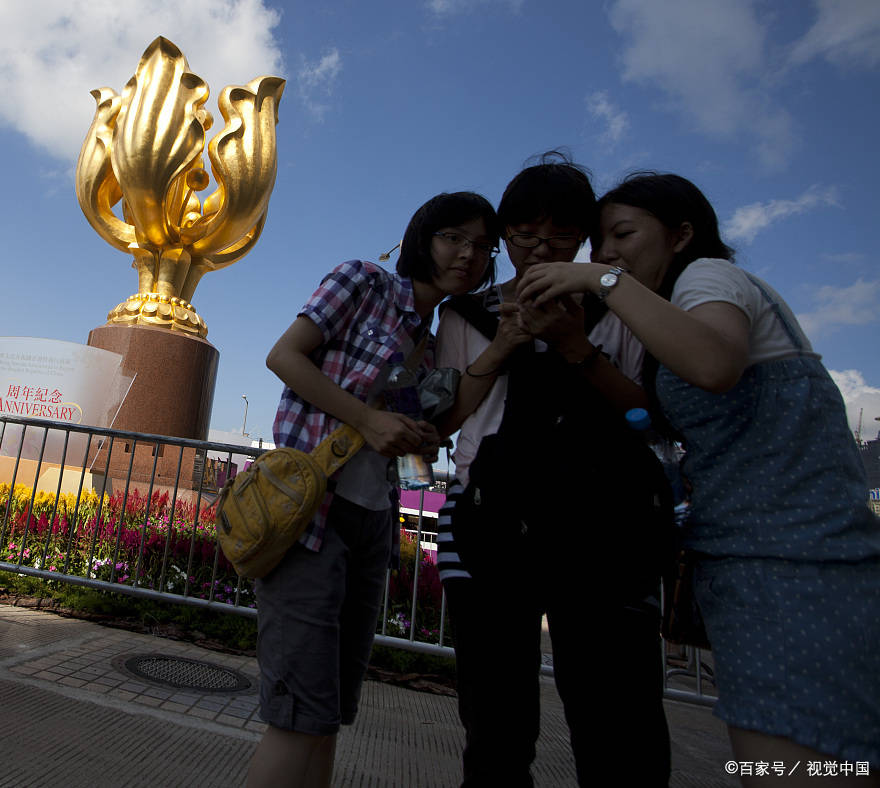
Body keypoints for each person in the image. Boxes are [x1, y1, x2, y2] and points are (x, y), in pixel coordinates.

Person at [517, 172, 880, 781]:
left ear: (682, 234)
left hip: (796, 562)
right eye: (599, 244)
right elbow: (649, 417)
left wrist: (596, 280)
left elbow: (714, 365)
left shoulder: (710, 277)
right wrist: (578, 347)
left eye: (622, 235)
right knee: (806, 754)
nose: (607, 254)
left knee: (788, 759)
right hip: (753, 561)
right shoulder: (671, 318)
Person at [433, 154, 672, 786]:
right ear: (505, 238)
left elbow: (651, 420)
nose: (540, 249)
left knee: (618, 724)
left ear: (585, 239)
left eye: (559, 236)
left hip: (604, 524)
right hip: (489, 524)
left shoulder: (623, 308)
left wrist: (574, 345)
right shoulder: (467, 314)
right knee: (495, 724)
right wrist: (507, 342)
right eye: (523, 235)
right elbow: (442, 419)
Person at [245, 192, 499, 787]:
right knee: (298, 714)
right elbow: (284, 357)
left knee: (327, 714)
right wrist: (367, 418)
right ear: (423, 237)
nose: (469, 254)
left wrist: (413, 433)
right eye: (454, 237)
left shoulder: (432, 344)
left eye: (484, 247)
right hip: (311, 512)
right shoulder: (363, 281)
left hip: (371, 522)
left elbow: (414, 432)